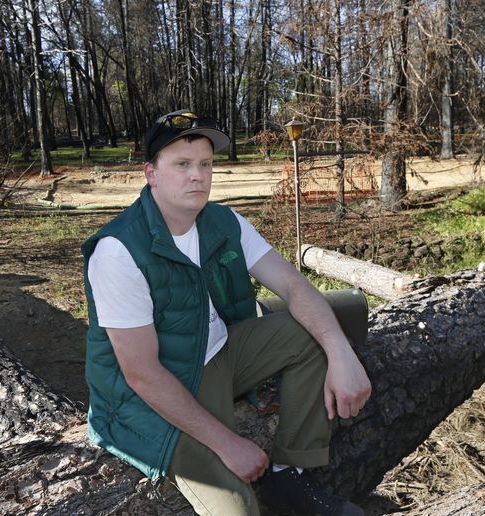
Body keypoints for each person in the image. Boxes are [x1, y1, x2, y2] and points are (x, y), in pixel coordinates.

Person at [82, 109, 372, 515]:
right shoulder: (118, 251)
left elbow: (292, 285)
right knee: (237, 510)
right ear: (151, 174)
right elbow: (141, 373)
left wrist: (342, 353)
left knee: (311, 334)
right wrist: (228, 444)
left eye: (205, 164)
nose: (197, 175)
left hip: (219, 352)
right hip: (149, 395)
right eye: (181, 164)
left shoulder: (223, 221)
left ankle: (289, 476)